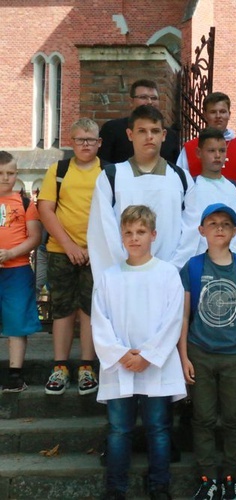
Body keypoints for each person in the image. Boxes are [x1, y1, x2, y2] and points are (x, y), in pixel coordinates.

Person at [91, 205, 186, 500]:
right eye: (129, 233)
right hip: (119, 364)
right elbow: (99, 320)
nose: (134, 238)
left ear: (153, 235)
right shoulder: (108, 276)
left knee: (158, 428)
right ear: (121, 236)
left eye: (141, 232)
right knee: (119, 430)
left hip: (155, 364)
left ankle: (159, 486)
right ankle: (115, 489)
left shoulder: (168, 273)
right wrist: (121, 354)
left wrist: (148, 355)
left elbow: (174, 318)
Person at [179, 203, 236, 500]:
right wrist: (184, 355)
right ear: (201, 230)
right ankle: (207, 477)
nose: (219, 229)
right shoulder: (193, 266)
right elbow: (184, 316)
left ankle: (230, 477)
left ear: (235, 231)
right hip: (200, 351)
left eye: (226, 224)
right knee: (202, 417)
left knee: (235, 417)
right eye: (212, 223)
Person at [87, 105, 200, 281]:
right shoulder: (112, 176)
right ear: (130, 135)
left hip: (169, 277)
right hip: (123, 276)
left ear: (163, 135)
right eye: (142, 131)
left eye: (155, 131)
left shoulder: (181, 178)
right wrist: (123, 269)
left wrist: (172, 269)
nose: (149, 137)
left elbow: (192, 230)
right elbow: (102, 231)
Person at [37, 118, 102, 396]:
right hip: (60, 251)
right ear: (71, 142)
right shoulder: (59, 170)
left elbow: (113, 213)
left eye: (91, 139)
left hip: (96, 253)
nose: (85, 144)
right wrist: (69, 246)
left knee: (90, 309)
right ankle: (60, 367)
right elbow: (46, 209)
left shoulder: (108, 172)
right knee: (62, 308)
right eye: (80, 139)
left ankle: (87, 366)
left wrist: (92, 247)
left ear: (99, 143)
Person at [176, 92, 236, 235]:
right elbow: (178, 190)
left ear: (229, 114)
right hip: (199, 228)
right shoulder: (190, 149)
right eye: (213, 112)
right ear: (205, 114)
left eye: (222, 111)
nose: (218, 116)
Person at [178, 127, 236, 261]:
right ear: (198, 153)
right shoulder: (188, 188)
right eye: (211, 151)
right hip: (198, 260)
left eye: (222, 150)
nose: (217, 155)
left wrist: (229, 256)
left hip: (231, 261)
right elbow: (185, 226)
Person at [0, 151, 42, 393]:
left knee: (16, 322)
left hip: (16, 270)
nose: (6, 178)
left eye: (11, 173)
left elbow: (35, 237)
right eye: (1, 174)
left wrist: (11, 253)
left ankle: (15, 374)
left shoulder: (25, 202)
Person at [99, 79, 180, 164]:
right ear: (131, 102)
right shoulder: (112, 129)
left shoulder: (170, 136)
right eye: (143, 97)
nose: (149, 102)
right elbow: (103, 164)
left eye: (154, 98)